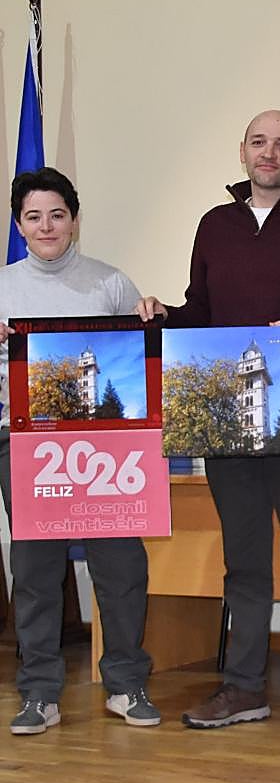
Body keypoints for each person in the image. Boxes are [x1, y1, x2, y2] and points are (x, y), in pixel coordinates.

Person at [136, 110, 280, 738]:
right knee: (243, 563)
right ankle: (243, 688)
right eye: (260, 142)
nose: (270, 153)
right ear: (242, 151)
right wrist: (165, 314)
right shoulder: (214, 226)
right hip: (228, 426)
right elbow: (203, 311)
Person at [0, 167, 159, 734]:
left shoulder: (110, 284)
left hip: (107, 448)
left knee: (120, 565)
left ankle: (125, 683)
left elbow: (140, 365)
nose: (47, 226)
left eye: (58, 214)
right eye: (34, 216)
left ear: (75, 220)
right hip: (24, 445)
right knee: (37, 570)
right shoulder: (3, 286)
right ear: (19, 225)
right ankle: (39, 693)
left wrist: (154, 322)